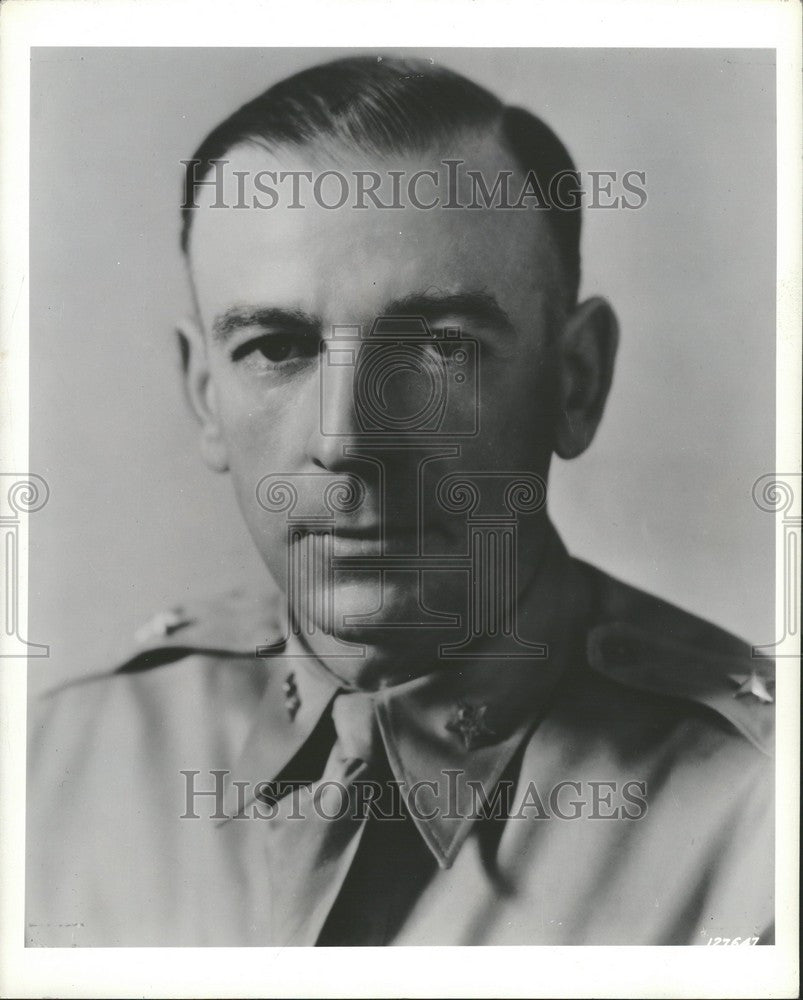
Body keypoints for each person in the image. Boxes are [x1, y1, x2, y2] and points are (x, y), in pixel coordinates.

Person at [26, 55, 774, 947]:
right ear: (202, 395)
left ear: (574, 381)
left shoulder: (760, 819)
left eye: (439, 350)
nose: (346, 439)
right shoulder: (48, 771)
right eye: (275, 348)